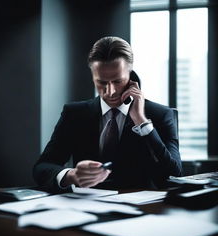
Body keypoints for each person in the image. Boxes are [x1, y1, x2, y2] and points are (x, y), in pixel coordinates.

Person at [33, 36, 182, 193]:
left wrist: (142, 122)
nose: (110, 92)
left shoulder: (160, 115)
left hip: (141, 209)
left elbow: (173, 175)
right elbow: (42, 167)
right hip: (85, 206)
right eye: (102, 82)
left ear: (131, 77)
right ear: (93, 76)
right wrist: (71, 175)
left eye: (117, 81)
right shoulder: (75, 114)